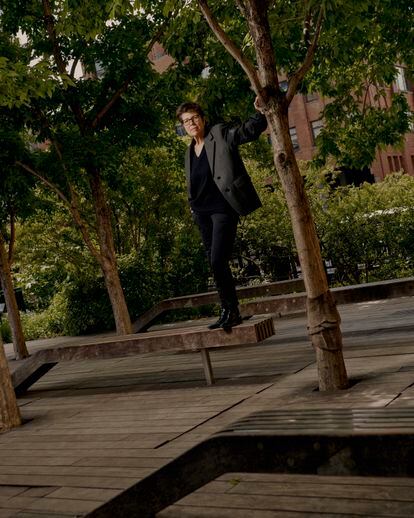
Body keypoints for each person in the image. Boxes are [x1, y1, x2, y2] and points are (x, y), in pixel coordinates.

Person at [176, 98, 267, 330]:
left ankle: (231, 309)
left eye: (195, 118)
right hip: (202, 213)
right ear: (183, 126)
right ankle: (228, 309)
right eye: (187, 121)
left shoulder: (219, 133)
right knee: (214, 262)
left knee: (218, 259)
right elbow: (192, 182)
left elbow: (246, 132)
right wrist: (192, 205)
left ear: (203, 119)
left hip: (223, 208)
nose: (192, 123)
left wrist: (259, 112)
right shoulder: (188, 152)